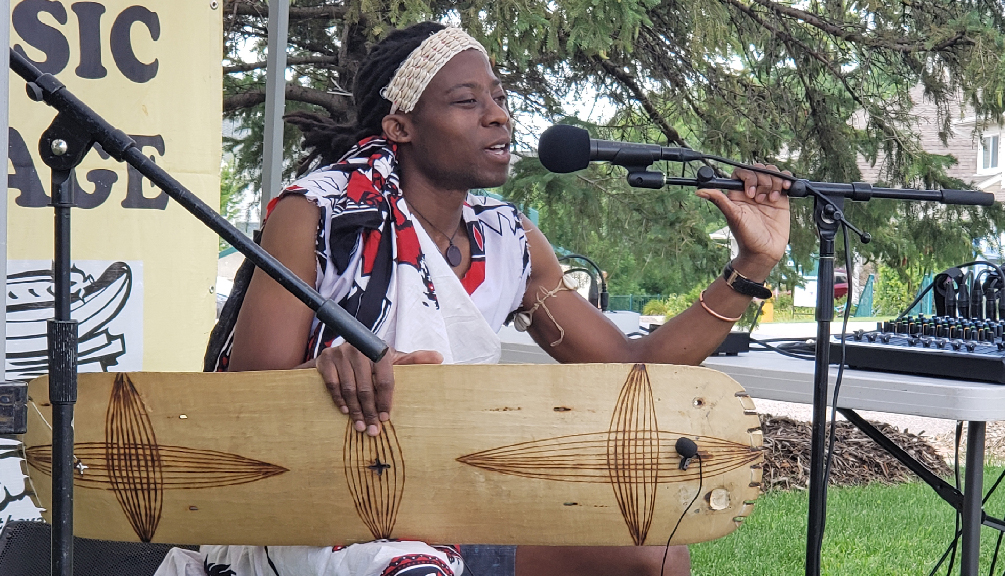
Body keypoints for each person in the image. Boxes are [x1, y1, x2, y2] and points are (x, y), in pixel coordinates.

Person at [159, 21, 790, 576]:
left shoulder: (508, 238)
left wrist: (751, 265)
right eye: (467, 102)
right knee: (412, 566)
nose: (498, 116)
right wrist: (320, 371)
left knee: (651, 558)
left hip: (449, 503)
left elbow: (630, 365)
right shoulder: (319, 213)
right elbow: (244, 400)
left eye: (500, 99)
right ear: (399, 126)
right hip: (316, 513)